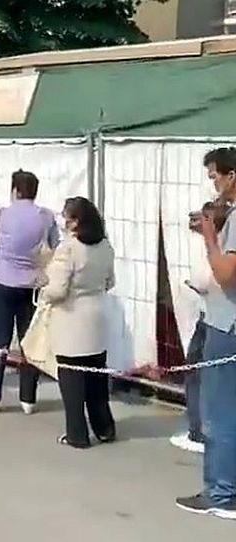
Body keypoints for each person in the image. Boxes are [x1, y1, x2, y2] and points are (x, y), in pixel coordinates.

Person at [176, 147, 236, 520]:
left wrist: (211, 236)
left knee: (220, 412)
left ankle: (221, 492)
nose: (212, 183)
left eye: (215, 175)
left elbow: (227, 273)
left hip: (227, 325)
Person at [0, 170, 59, 415]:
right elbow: (55, 245)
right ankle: (28, 399)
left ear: (14, 189)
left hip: (3, 280)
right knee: (30, 341)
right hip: (33, 283)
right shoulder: (46, 216)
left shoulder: (2, 214)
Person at [39, 197, 116, 449]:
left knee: (72, 380)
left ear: (76, 221)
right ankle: (104, 428)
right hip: (97, 313)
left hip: (71, 316)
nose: (64, 222)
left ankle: (77, 434)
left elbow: (58, 289)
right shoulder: (105, 246)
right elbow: (109, 282)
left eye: (67, 218)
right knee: (96, 377)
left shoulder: (68, 249)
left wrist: (42, 291)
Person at [171, 199, 230, 455]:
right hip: (214, 317)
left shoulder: (217, 248)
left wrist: (195, 284)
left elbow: (211, 280)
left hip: (215, 320)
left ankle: (199, 431)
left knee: (197, 374)